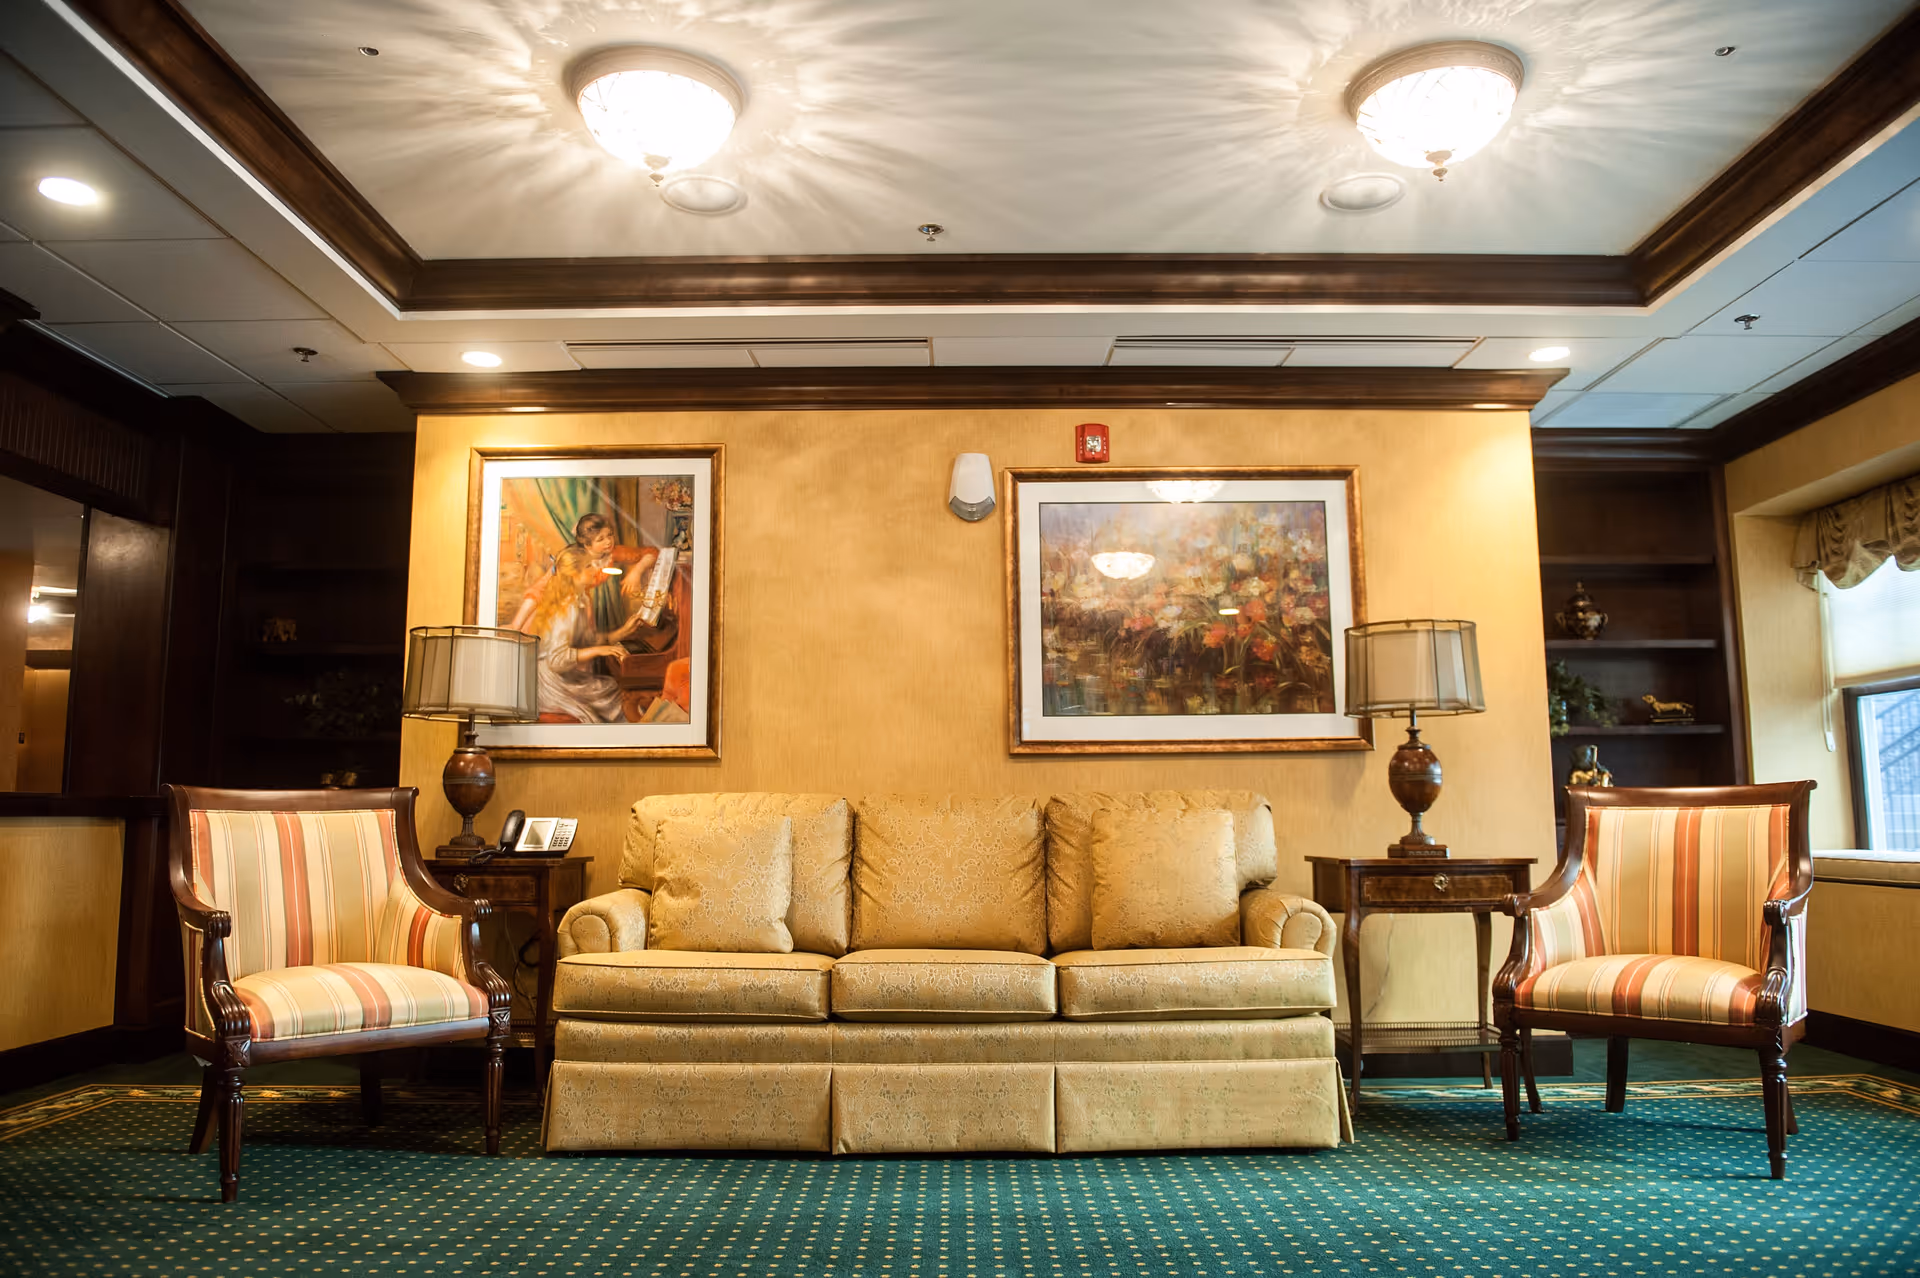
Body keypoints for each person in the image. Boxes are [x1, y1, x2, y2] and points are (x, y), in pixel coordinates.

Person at [522, 545, 650, 724]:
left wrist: (623, 632)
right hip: (550, 683)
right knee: (610, 692)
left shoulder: (579, 598)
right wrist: (600, 651)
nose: (596, 569)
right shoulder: (566, 608)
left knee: (610, 687)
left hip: (558, 676)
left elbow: (588, 640)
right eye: (589, 566)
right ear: (575, 574)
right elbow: (557, 661)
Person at [505, 512, 658, 635]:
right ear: (587, 544)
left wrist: (637, 572)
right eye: (601, 539)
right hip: (555, 613)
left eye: (610, 535)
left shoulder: (611, 553)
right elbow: (540, 590)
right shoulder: (572, 559)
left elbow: (651, 553)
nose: (608, 542)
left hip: (582, 608)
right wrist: (516, 624)